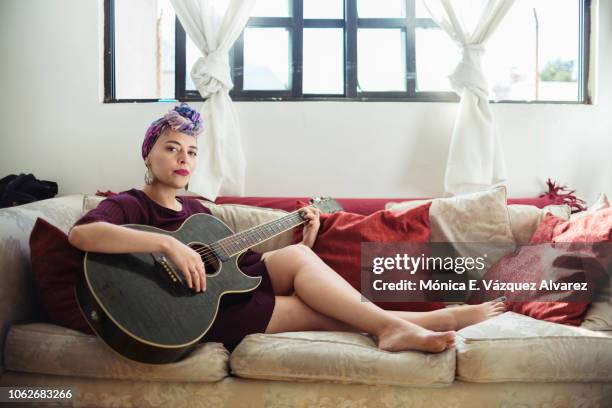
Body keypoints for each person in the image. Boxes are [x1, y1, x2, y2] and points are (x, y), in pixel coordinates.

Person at [68, 103, 506, 353]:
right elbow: (83, 235)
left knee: (297, 257)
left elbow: (245, 267)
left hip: (225, 294)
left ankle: (407, 324)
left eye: (193, 152)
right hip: (188, 312)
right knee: (322, 313)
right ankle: (421, 320)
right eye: (171, 148)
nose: (184, 159)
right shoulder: (130, 204)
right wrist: (167, 247)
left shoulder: (197, 214)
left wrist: (307, 237)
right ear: (148, 155)